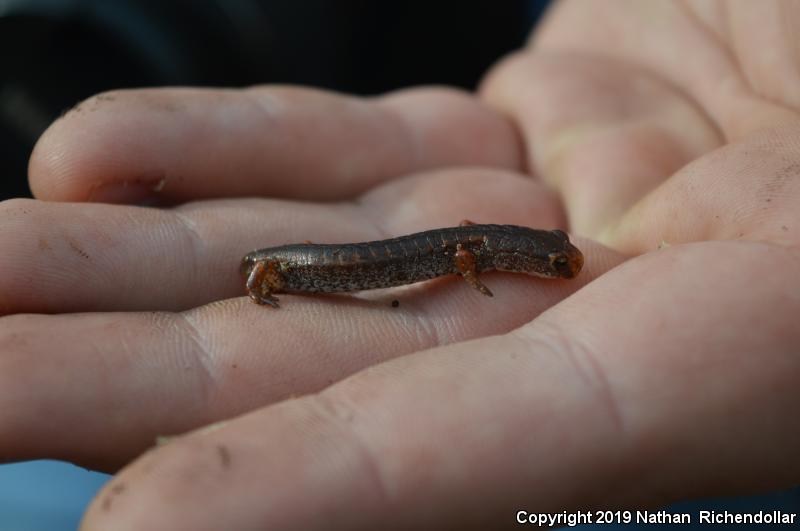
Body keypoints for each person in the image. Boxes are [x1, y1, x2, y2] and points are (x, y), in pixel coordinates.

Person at [2, 1, 799, 528]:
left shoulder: (490, 247)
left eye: (552, 264)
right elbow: (460, 254)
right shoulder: (437, 253)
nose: (552, 266)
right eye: (553, 263)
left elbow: (465, 253)